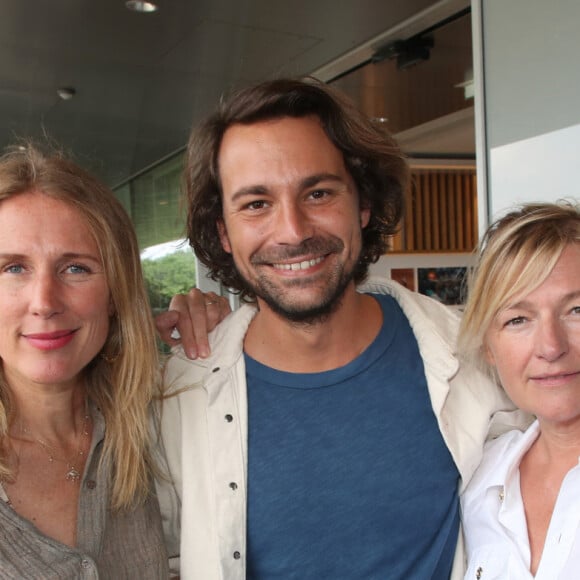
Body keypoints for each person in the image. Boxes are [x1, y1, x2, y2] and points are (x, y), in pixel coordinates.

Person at [154, 77, 528, 580]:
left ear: (364, 203)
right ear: (223, 231)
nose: (293, 231)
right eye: (256, 204)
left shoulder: (476, 357)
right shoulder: (178, 397)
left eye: (319, 192)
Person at [0, 145, 169, 577]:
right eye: (13, 268)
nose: (44, 303)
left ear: (115, 293)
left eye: (75, 268)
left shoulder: (158, 429)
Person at [458, 201, 580, 579]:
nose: (550, 346)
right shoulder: (479, 480)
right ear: (489, 348)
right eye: (518, 319)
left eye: (577, 310)